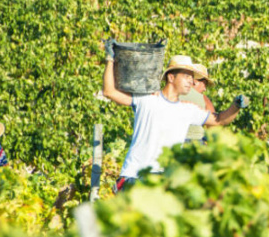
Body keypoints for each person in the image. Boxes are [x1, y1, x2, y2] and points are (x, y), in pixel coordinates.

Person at [101, 39, 247, 192]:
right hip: (134, 176)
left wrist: (235, 106)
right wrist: (110, 60)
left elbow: (218, 120)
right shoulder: (147, 99)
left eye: (192, 78)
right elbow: (109, 92)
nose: (191, 81)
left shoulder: (188, 110)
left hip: (163, 180)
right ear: (171, 78)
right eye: (186, 76)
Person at [181, 64, 249, 144]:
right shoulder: (203, 99)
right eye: (205, 84)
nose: (205, 89)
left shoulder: (170, 94)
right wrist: (236, 106)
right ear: (195, 81)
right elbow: (215, 124)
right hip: (194, 144)